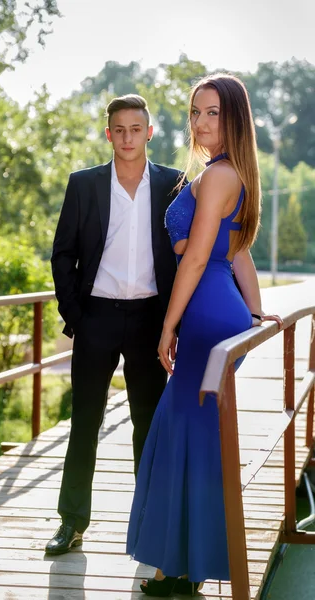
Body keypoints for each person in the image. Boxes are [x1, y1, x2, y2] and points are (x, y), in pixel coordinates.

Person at [126, 74, 283, 596]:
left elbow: (197, 259)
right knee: (192, 436)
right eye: (195, 112)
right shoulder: (228, 172)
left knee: (181, 434)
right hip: (223, 310)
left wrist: (168, 324)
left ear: (234, 116)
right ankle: (186, 563)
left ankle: (178, 568)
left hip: (205, 314)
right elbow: (238, 251)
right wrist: (256, 313)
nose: (200, 122)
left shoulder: (218, 176)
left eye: (212, 112)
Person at [45, 94, 184, 555]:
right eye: (118, 130)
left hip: (150, 320)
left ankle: (148, 522)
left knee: (148, 425)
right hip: (96, 317)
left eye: (135, 129)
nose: (127, 137)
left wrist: (174, 320)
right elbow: (63, 254)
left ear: (149, 132)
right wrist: (77, 317)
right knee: (84, 422)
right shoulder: (83, 184)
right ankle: (72, 522)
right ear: (109, 134)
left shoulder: (174, 183)